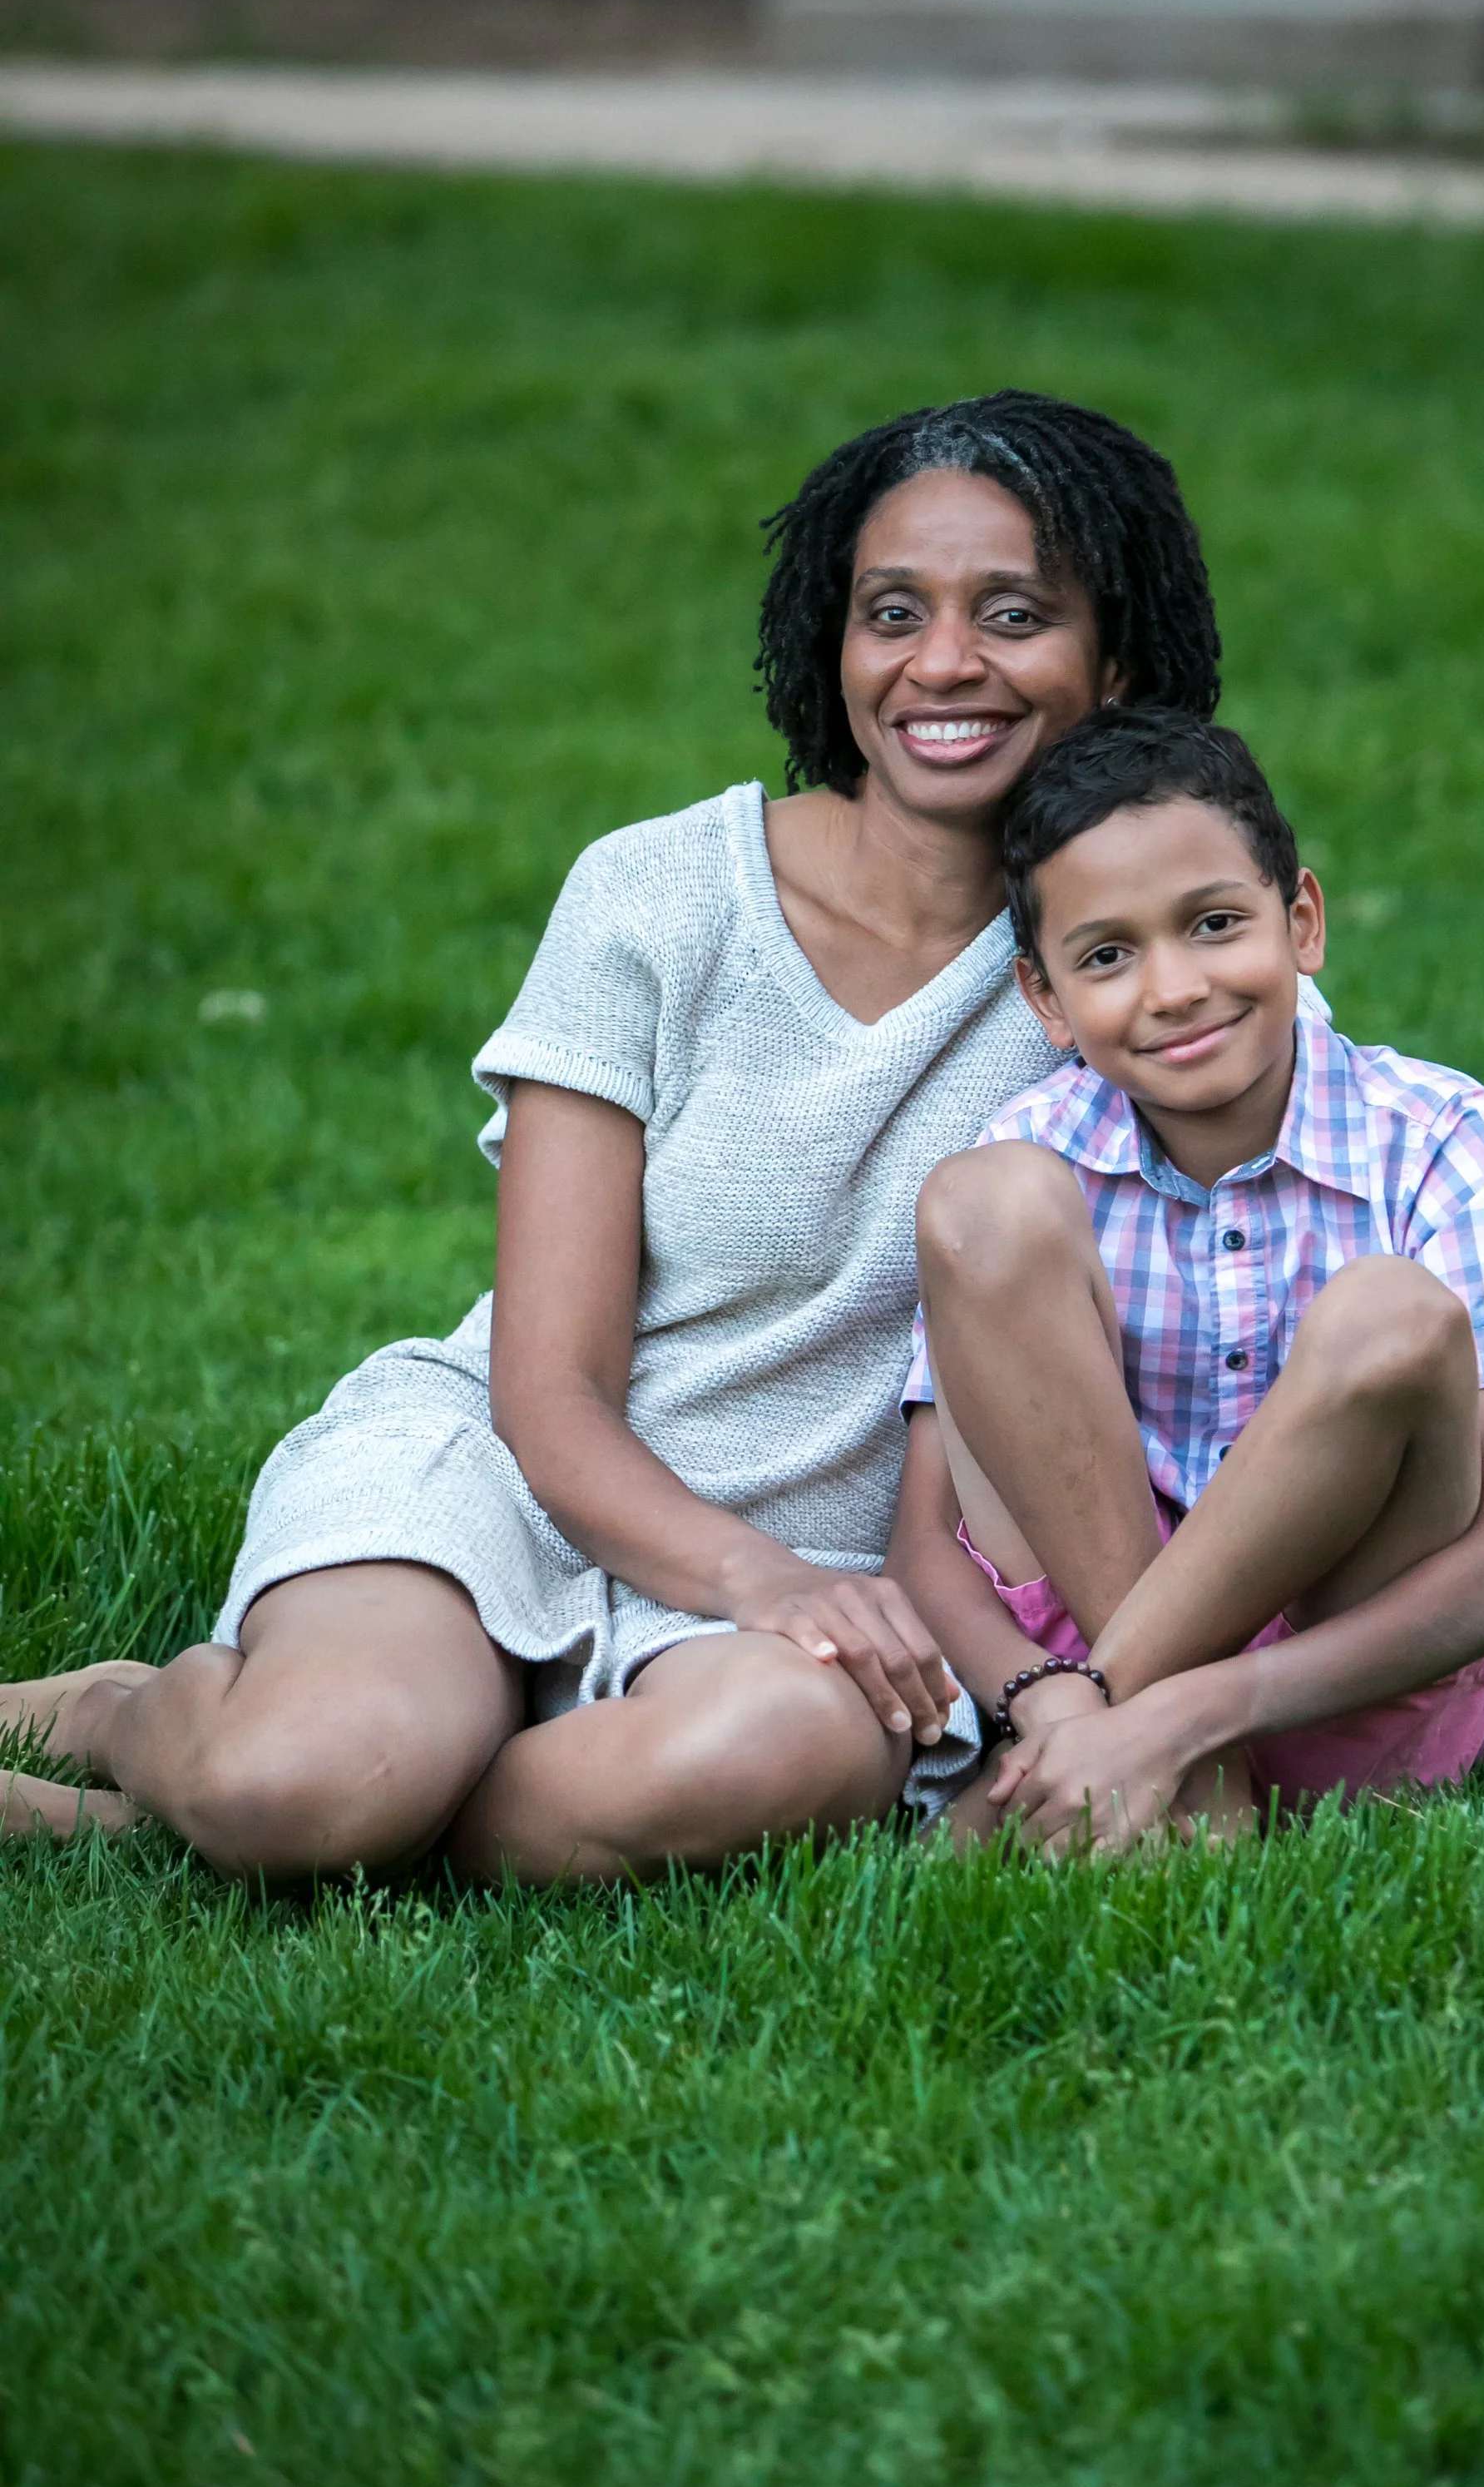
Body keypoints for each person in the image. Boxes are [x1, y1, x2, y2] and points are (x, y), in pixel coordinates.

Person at [1, 394, 1223, 1880]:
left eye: (1014, 613)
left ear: (1122, 656)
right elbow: (551, 1387)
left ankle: (359, 1791)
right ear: (830, 644)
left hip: (833, 1597)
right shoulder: (657, 895)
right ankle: (136, 1720)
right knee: (299, 1786)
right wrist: (751, 1574)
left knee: (790, 1753)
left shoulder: (1148, 970)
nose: (942, 662)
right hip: (520, 1486)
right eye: (890, 612)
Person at [884, 705, 1484, 1853]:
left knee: (1390, 1311)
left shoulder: (1446, 1135)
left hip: (1350, 1673)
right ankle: (1180, 1793)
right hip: (1078, 1646)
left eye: (1213, 923)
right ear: (1046, 999)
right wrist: (1050, 1700)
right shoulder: (1032, 1144)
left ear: (1301, 920)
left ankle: (1147, 1768)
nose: (1173, 987)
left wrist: (1176, 1713)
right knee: (979, 1200)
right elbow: (925, 1541)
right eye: (1108, 954)